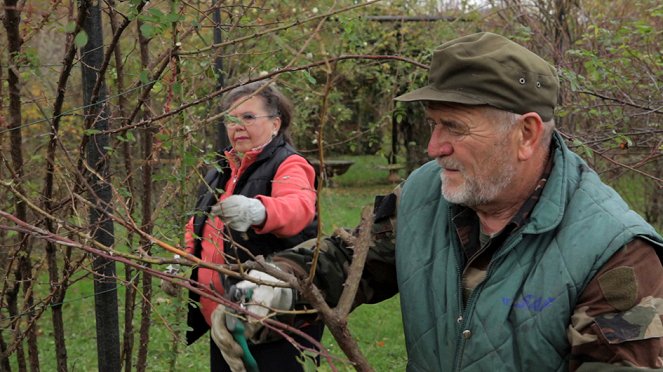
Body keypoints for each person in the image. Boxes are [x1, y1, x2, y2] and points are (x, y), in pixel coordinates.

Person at [231, 32, 663, 371]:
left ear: (527, 135)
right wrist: (277, 285)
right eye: (433, 124)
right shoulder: (425, 194)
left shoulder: (617, 253)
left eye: (454, 127)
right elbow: (351, 257)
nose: (434, 147)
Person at [181, 80, 323, 371]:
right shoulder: (221, 168)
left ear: (275, 124)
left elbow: (299, 208)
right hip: (224, 317)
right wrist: (182, 258)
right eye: (232, 119)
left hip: (271, 320)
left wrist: (260, 210)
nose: (238, 126)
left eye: (248, 117)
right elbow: (200, 222)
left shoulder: (289, 164)